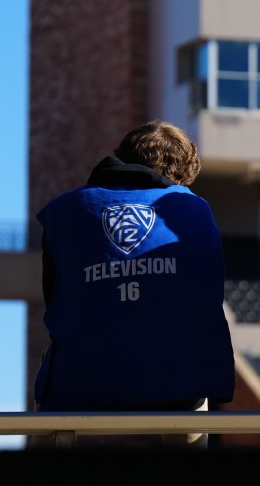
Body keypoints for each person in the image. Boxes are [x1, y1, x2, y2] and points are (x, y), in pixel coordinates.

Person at [32, 120, 235, 449]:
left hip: (82, 382)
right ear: (179, 178)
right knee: (192, 388)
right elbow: (208, 295)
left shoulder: (63, 210)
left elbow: (55, 299)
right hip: (179, 384)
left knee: (55, 370)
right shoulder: (196, 208)